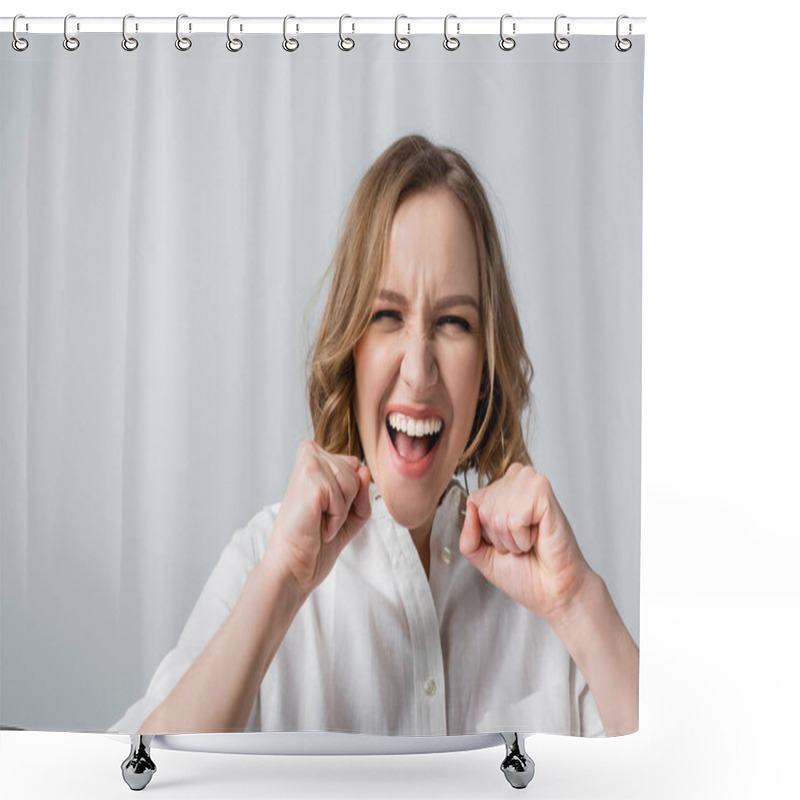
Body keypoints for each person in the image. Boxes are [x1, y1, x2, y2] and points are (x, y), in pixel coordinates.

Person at [111, 135, 638, 738]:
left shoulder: (547, 599)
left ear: (486, 372)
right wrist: (279, 587)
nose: (419, 369)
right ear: (351, 350)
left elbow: (685, 775)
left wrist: (576, 602)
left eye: (454, 323)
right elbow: (130, 780)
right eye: (387, 315)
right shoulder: (263, 560)